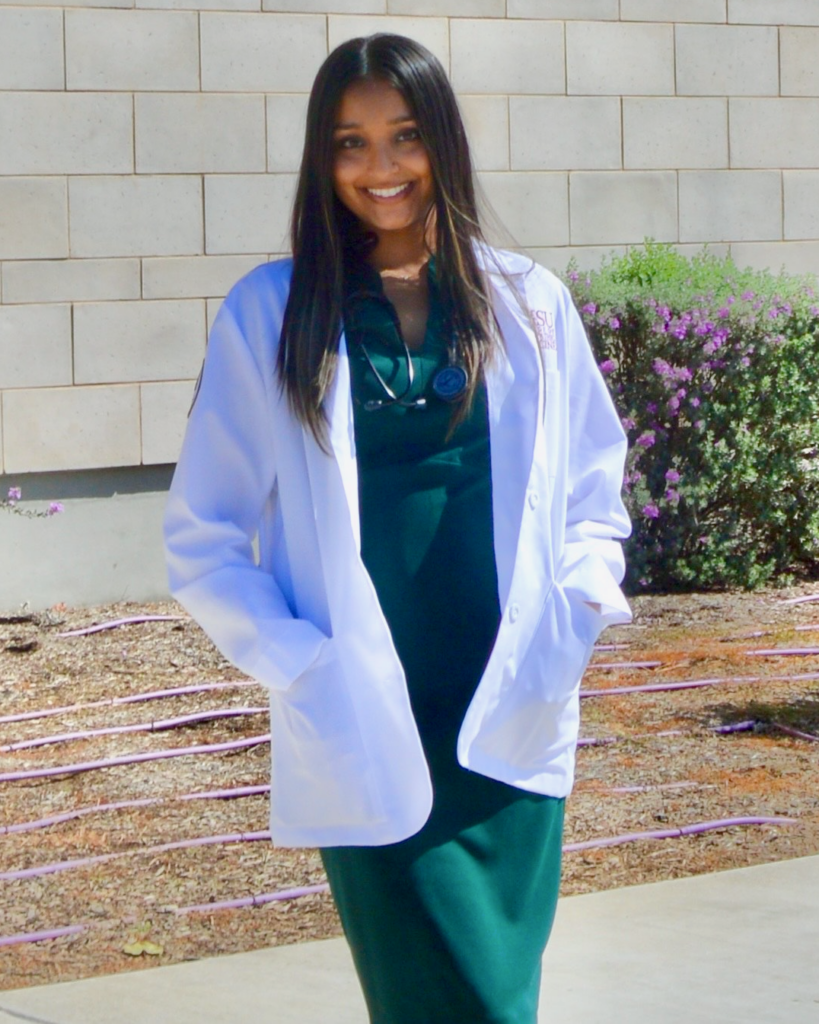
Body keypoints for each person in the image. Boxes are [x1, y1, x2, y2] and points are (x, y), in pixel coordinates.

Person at [164, 33, 631, 1024]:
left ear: (443, 144)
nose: (381, 169)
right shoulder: (274, 311)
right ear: (321, 159)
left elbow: (595, 489)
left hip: (506, 711)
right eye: (350, 143)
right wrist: (304, 663)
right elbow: (203, 537)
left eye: (405, 136)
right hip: (366, 717)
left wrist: (577, 613)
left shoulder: (529, 304)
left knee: (499, 998)